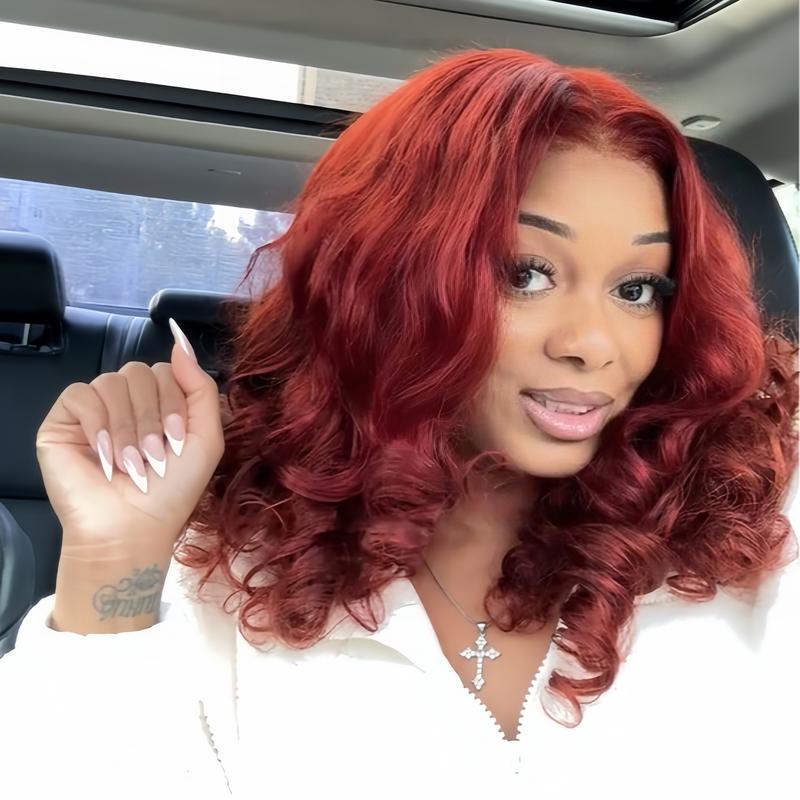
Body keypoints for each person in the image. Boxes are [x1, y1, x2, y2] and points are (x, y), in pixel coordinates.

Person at [1, 48, 797, 800]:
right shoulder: (237, 564)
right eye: (525, 273)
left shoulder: (762, 525)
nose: (594, 345)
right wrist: (114, 560)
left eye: (638, 289)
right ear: (388, 282)